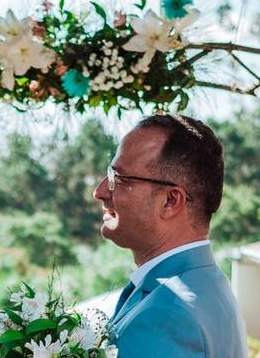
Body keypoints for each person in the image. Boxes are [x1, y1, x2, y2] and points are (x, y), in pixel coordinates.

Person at [93, 114, 247, 358]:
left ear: (170, 201)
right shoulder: (209, 282)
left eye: (118, 179)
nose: (99, 192)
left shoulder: (168, 316)